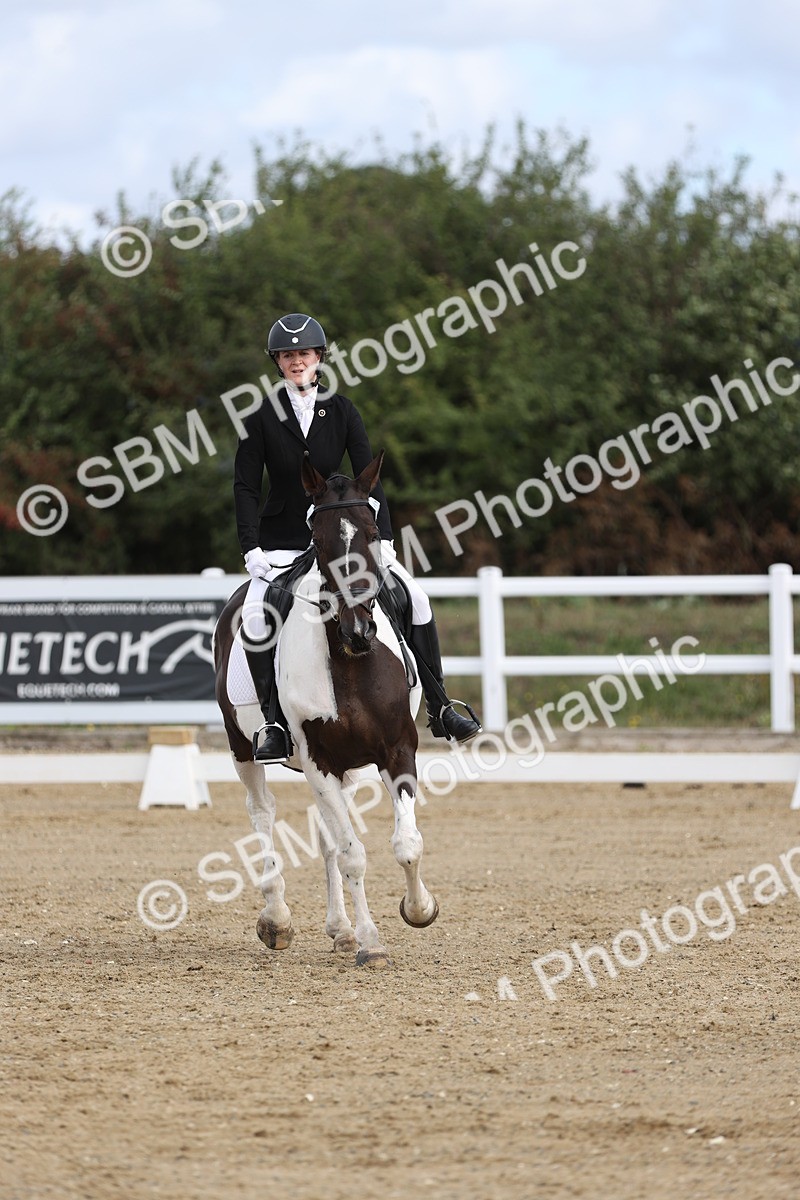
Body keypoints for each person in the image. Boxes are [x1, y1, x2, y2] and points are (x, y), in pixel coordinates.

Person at [234, 312, 482, 762]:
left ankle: (441, 705)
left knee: (417, 600)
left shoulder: (343, 409)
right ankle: (273, 723)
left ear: (319, 358)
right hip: (285, 540)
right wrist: (251, 546)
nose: (296, 361)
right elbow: (246, 485)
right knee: (255, 615)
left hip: (345, 538)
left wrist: (383, 537)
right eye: (287, 355)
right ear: (277, 361)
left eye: (303, 353)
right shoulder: (260, 417)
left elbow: (371, 479)